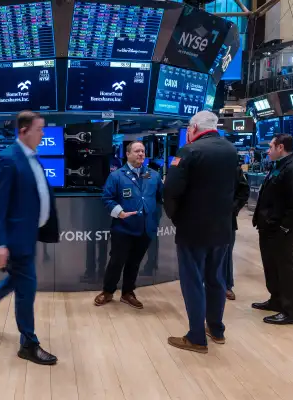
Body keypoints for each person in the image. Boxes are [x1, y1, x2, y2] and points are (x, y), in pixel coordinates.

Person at [0, 110, 59, 365]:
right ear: (23, 130)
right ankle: (28, 344)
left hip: (29, 235)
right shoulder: (8, 159)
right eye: (39, 129)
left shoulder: (31, 157)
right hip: (15, 238)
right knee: (27, 288)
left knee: (17, 281)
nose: (43, 134)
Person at [163, 111, 239, 354]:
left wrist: (178, 218)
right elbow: (240, 189)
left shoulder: (189, 151)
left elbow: (171, 191)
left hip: (193, 230)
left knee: (193, 281)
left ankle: (196, 337)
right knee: (216, 279)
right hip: (222, 229)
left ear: (194, 128)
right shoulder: (231, 151)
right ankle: (216, 330)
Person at [94, 141, 163, 308]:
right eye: (137, 151)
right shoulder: (116, 176)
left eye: (143, 151)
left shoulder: (153, 175)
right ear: (128, 154)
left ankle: (127, 292)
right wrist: (119, 212)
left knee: (135, 262)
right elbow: (107, 198)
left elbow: (160, 197)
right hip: (123, 228)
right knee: (117, 261)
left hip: (146, 228)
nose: (141, 154)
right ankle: (108, 291)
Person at [252, 134, 293, 325]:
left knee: (285, 267)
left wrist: (286, 227)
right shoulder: (279, 166)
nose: (268, 151)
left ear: (280, 147)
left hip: (283, 230)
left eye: (270, 147)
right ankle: (276, 300)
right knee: (271, 265)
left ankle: (289, 311)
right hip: (269, 227)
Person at [225, 166, 250, 300]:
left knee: (226, 252)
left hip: (226, 219)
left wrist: (232, 209)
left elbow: (244, 191)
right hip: (204, 217)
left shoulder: (233, 167)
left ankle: (227, 285)